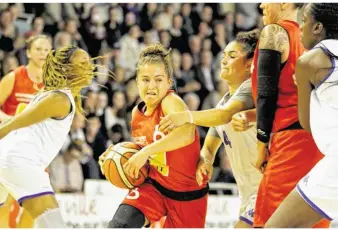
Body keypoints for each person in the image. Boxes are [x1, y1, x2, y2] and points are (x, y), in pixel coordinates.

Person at [232, 3, 330, 228]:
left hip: (290, 145)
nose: (261, 4)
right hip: (318, 145)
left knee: (268, 222)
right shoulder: (315, 42)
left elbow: (267, 94)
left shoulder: (275, 32)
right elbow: (295, 99)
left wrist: (260, 146)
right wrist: (250, 116)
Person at [159, 30, 261, 228]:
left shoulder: (251, 88)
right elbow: (210, 147)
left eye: (232, 56)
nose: (223, 60)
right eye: (223, 55)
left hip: (268, 188)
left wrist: (186, 116)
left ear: (250, 64)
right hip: (248, 195)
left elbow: (224, 116)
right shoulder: (223, 101)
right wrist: (205, 162)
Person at [100, 43, 208, 228]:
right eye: (145, 79)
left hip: (187, 195)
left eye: (158, 80)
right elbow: (148, 155)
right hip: (154, 188)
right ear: (137, 81)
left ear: (169, 82)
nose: (151, 86)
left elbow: (187, 134)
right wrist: (115, 158)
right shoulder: (136, 114)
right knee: (119, 225)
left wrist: (143, 153)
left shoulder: (170, 101)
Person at [0, 45, 96, 228]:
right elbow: (14, 123)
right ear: (66, 69)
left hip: (7, 159)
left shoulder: (55, 94)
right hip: (21, 162)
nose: (89, 67)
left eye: (89, 62)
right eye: (83, 63)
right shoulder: (59, 99)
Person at [265, 3, 338, 227]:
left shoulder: (308, 62)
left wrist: (304, 88)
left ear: (317, 27)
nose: (300, 27)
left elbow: (306, 124)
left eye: (303, 21)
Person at [0, 34, 52, 228]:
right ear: (29, 52)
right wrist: (13, 120)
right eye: (38, 49)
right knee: (4, 204)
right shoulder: (14, 77)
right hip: (9, 149)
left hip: (36, 152)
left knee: (34, 206)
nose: (43, 53)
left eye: (47, 50)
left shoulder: (51, 85)